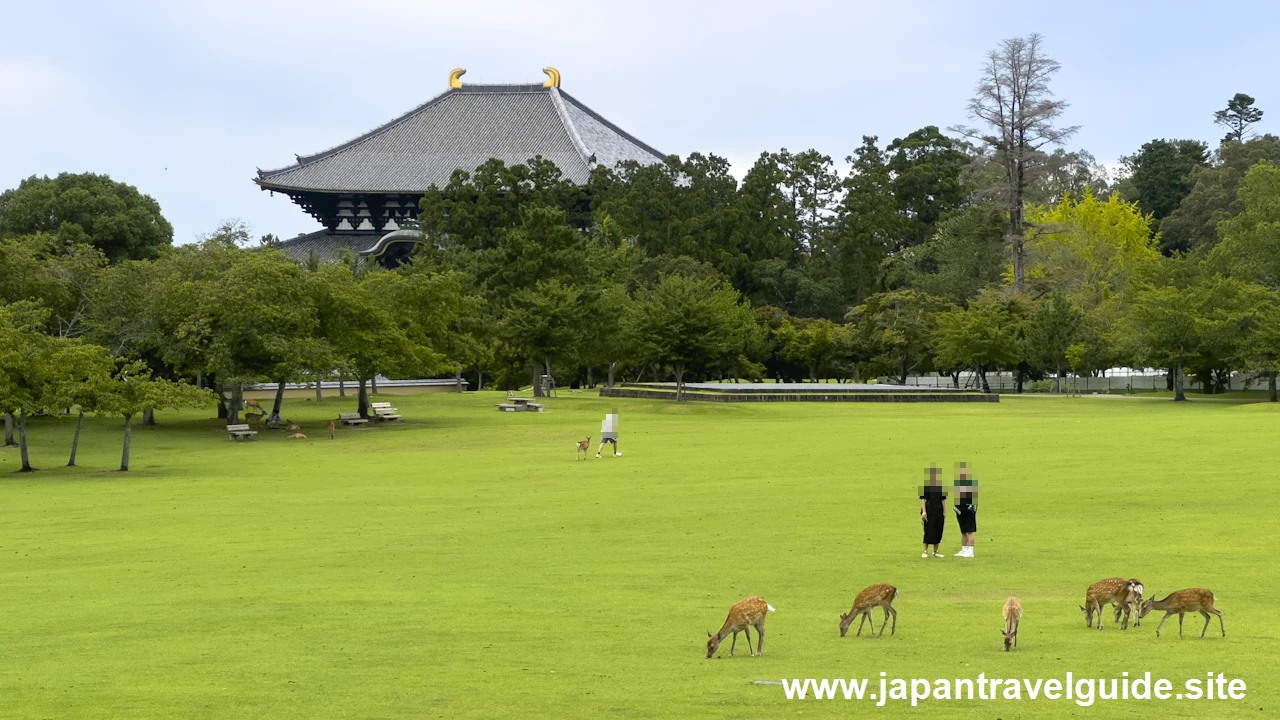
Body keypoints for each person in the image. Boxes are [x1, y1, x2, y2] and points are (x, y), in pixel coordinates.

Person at [919, 465, 946, 558]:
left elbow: (943, 500)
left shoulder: (940, 487)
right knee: (928, 531)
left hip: (938, 512)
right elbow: (922, 499)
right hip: (929, 512)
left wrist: (944, 512)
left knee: (939, 530)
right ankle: (925, 550)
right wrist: (924, 511)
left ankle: (936, 550)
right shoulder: (925, 487)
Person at [952, 462, 978, 557]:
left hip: (968, 510)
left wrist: (968, 507)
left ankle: (970, 551)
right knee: (963, 531)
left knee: (970, 530)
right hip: (960, 510)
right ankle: (964, 549)